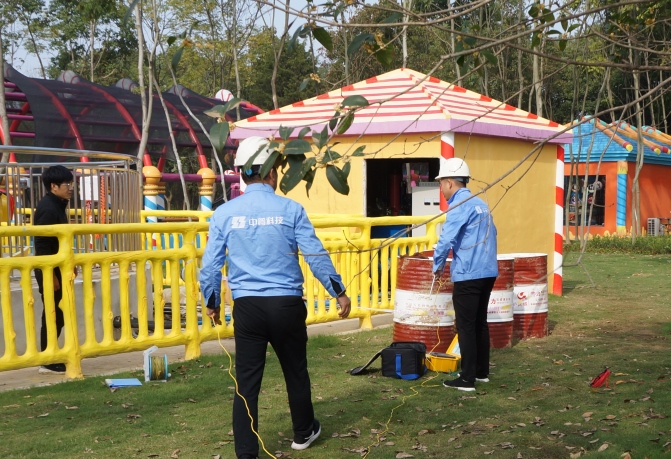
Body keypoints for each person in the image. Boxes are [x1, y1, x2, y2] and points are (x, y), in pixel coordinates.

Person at [199, 136, 352, 459]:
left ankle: (245, 451)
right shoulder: (291, 209)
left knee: (246, 382)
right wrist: (337, 290)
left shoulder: (224, 213)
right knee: (295, 370)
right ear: (271, 172)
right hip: (286, 305)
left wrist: (211, 302)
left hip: (248, 307)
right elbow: (314, 255)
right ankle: (303, 432)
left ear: (242, 172)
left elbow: (210, 264)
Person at [432, 157, 498, 392]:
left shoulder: (459, 205)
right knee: (480, 323)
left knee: (466, 326)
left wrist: (437, 265)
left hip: (469, 272)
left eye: (441, 184)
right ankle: (481, 372)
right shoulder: (480, 203)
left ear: (450, 182)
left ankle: (467, 378)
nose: (440, 189)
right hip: (488, 270)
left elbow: (446, 238)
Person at [33, 165, 74, 375]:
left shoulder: (57, 204)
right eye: (67, 184)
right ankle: (47, 360)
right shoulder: (49, 208)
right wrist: (51, 275)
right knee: (51, 314)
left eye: (71, 183)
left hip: (56, 268)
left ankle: (51, 355)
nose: (70, 188)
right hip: (49, 269)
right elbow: (42, 245)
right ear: (53, 186)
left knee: (57, 313)